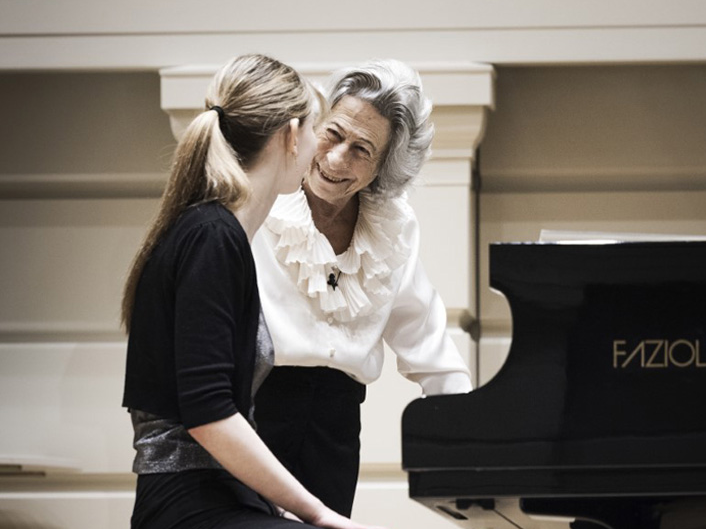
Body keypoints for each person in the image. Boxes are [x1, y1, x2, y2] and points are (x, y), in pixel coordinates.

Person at [121, 53, 383, 529]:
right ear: (289, 135)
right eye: (316, 131)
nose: (318, 152)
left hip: (219, 497)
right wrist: (317, 511)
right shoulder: (212, 235)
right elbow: (208, 414)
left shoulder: (218, 233)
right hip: (188, 505)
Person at [252, 59, 472, 517]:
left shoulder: (392, 228)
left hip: (335, 430)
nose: (336, 159)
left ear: (384, 169)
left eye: (362, 150)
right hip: (256, 412)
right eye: (333, 134)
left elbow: (428, 342)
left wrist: (472, 441)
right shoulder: (263, 197)